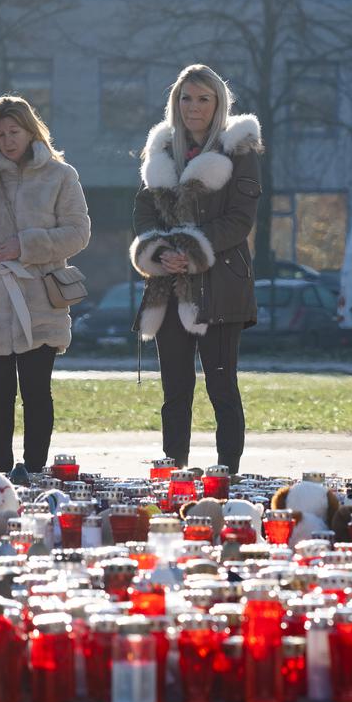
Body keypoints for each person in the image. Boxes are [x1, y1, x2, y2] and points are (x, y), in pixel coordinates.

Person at [0, 95, 91, 485]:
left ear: (31, 130)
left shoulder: (61, 175)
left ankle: (36, 470)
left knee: (36, 391)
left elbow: (78, 233)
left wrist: (27, 245)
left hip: (39, 297)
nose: (8, 140)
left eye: (14, 131)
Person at [131, 64, 261, 471]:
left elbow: (240, 220)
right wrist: (161, 250)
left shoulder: (239, 150)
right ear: (176, 102)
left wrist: (192, 250)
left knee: (222, 387)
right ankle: (175, 469)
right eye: (186, 98)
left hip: (221, 285)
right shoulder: (162, 151)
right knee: (175, 389)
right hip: (169, 286)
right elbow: (144, 210)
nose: (194, 107)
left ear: (218, 103)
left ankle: (228, 473)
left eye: (204, 98)